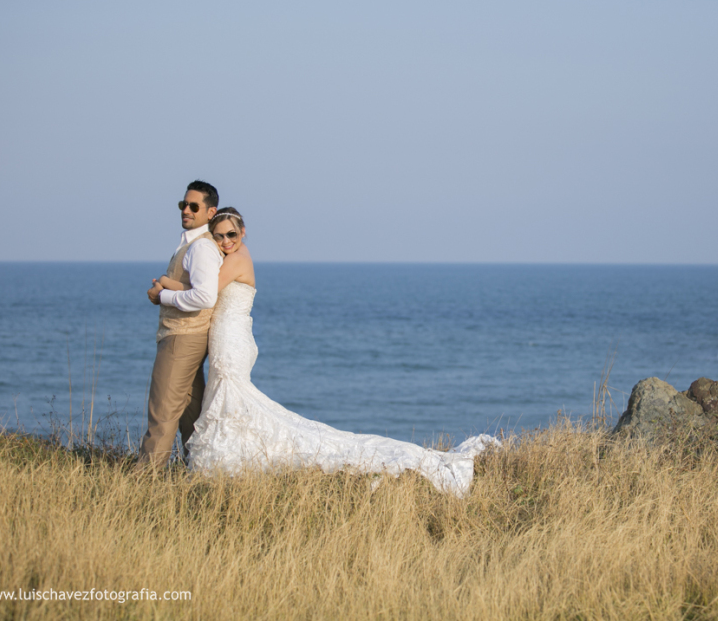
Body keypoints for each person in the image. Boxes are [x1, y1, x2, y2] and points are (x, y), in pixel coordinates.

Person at [159, 207, 498, 497]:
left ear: (243, 232)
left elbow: (203, 292)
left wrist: (163, 287)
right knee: (230, 398)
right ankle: (230, 450)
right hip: (229, 335)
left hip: (231, 341)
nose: (225, 242)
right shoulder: (230, 256)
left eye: (231, 234)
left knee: (231, 395)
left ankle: (231, 454)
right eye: (218, 237)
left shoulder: (237, 258)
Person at [138, 181, 223, 468]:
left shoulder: (202, 248)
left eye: (194, 206)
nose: (186, 210)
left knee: (162, 411)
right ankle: (198, 471)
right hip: (184, 337)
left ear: (211, 212)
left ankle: (145, 480)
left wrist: (164, 295)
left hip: (182, 338)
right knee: (190, 412)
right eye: (183, 205)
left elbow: (205, 296)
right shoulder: (191, 243)